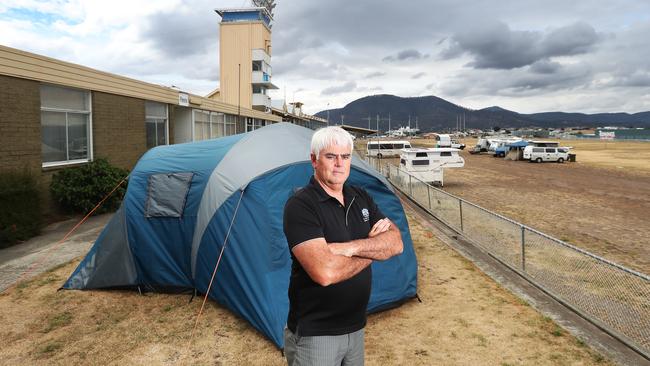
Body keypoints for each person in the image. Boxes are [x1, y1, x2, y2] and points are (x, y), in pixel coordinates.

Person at [283, 126, 403, 365]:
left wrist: (349, 248)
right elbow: (325, 273)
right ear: (314, 160)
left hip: (357, 327)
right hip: (317, 334)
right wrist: (373, 248)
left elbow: (396, 243)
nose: (339, 163)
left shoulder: (361, 197)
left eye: (345, 157)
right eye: (331, 156)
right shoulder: (301, 205)